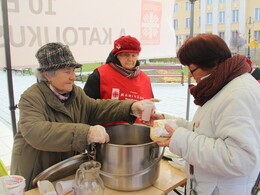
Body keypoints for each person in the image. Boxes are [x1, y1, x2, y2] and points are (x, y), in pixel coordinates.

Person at [10, 42, 153, 190]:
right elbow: (36, 132)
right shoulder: (31, 97)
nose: (73, 77)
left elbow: (96, 108)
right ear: (47, 74)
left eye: (73, 71)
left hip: (64, 173)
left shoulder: (76, 93)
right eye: (67, 72)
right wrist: (87, 133)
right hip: (37, 176)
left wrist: (130, 107)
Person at [149, 34, 260, 194]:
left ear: (208, 63)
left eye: (191, 69)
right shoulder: (225, 84)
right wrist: (167, 121)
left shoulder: (238, 95)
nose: (189, 75)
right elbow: (205, 130)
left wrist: (181, 140)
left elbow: (238, 159)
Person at [83, 35, 154, 124]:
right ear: (117, 55)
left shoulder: (145, 79)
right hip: (107, 133)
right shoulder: (99, 75)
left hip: (139, 133)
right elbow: (85, 108)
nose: (130, 59)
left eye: (134, 55)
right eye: (126, 55)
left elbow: (150, 109)